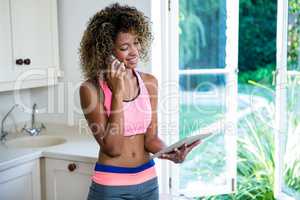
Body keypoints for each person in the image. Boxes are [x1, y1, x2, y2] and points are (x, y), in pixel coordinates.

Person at [79, 3, 201, 200]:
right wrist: (118, 91)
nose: (134, 52)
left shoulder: (149, 82)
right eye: (124, 47)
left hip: (148, 182)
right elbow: (113, 148)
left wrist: (171, 152)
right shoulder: (90, 89)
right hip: (111, 185)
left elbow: (150, 138)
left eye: (136, 42)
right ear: (105, 52)